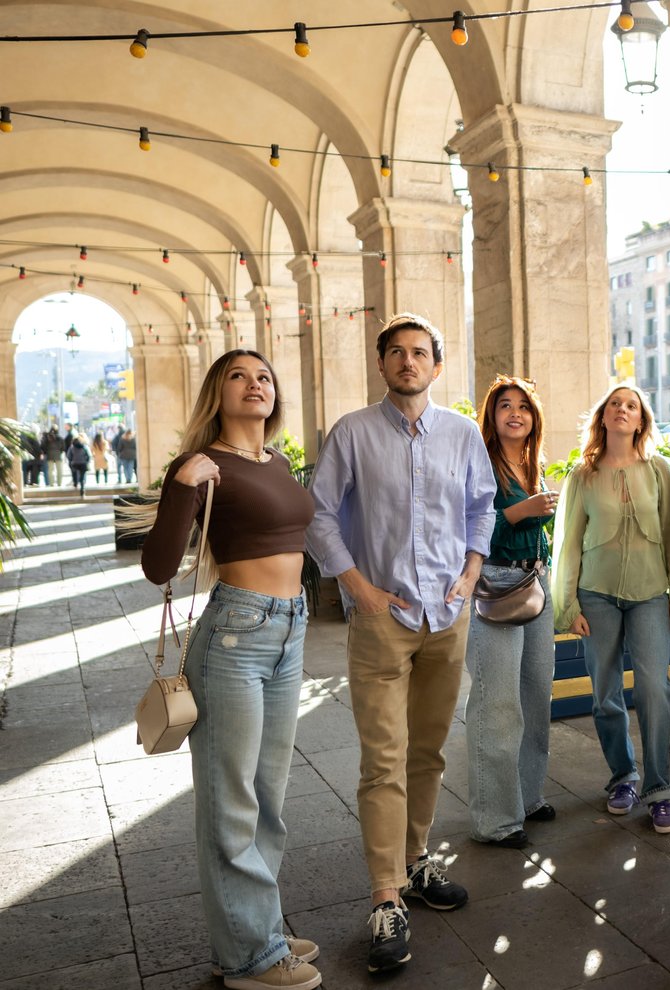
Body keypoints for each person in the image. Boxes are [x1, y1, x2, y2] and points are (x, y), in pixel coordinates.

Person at [306, 313, 496, 974]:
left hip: (448, 615)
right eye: (396, 352)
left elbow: (482, 506)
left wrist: (471, 574)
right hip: (382, 618)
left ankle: (415, 861)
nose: (408, 361)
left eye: (420, 352)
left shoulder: (462, 434)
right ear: (382, 364)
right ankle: (386, 897)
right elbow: (319, 514)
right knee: (383, 758)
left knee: (428, 751)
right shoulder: (352, 433)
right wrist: (357, 587)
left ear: (436, 366)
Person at [140, 350, 320, 990]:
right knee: (231, 799)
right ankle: (248, 957)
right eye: (239, 376)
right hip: (236, 637)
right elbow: (159, 567)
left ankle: (255, 928)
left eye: (264, 376)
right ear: (218, 392)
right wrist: (183, 484)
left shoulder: (277, 462)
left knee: (268, 795)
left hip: (290, 628)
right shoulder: (200, 464)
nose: (254, 384)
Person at [551, 384, 670, 834]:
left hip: (650, 594)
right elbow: (568, 543)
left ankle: (660, 789)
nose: (623, 410)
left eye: (632, 405)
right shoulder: (583, 475)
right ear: (604, 417)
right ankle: (622, 776)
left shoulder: (658, 470)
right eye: (615, 404)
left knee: (654, 689)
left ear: (641, 419)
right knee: (605, 693)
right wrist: (568, 603)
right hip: (596, 595)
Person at [464, 375, 559, 850]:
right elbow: (470, 527)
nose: (515, 413)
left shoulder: (532, 462)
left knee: (536, 696)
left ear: (534, 417)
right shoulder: (481, 462)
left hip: (537, 581)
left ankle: (527, 796)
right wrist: (524, 512)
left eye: (523, 406)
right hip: (496, 584)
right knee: (497, 704)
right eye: (505, 405)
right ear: (492, 414)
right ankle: (496, 819)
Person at [66, 432, 91, 496]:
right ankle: (82, 489)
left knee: (75, 474)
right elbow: (89, 455)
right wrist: (87, 461)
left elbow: (68, 455)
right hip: (83, 463)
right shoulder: (84, 446)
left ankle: (75, 484)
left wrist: (71, 461)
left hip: (75, 463)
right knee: (82, 477)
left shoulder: (72, 447)